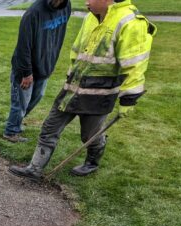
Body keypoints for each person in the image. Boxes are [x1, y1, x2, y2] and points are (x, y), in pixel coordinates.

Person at [9, 0, 156, 179]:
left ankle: (92, 162)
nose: (86, 2)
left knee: (90, 134)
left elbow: (134, 65)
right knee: (50, 127)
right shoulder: (90, 18)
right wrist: (71, 73)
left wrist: (129, 98)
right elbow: (77, 50)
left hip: (99, 94)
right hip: (73, 88)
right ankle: (34, 168)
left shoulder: (130, 22)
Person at [2, 0, 71, 143]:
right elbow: (23, 46)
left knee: (36, 97)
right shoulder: (33, 13)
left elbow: (56, 37)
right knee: (21, 102)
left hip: (45, 66)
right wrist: (26, 73)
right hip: (26, 69)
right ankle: (11, 131)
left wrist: (50, 63)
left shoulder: (66, 7)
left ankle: (17, 121)